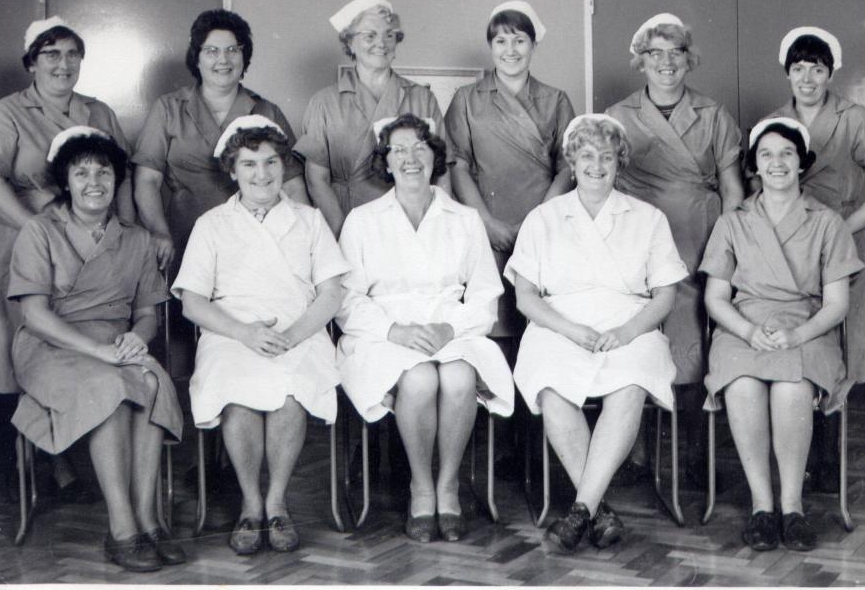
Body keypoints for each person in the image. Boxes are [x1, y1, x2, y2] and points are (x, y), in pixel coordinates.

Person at [505, 114, 687, 554]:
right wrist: (570, 330)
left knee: (630, 384)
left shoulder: (647, 218)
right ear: (571, 161)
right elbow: (526, 298)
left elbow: (665, 296)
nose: (597, 165)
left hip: (630, 325)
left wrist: (626, 332)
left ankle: (580, 511)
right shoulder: (544, 217)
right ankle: (598, 509)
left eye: (607, 156)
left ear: (620, 162)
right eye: (586, 155)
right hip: (558, 325)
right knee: (551, 387)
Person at [8, 127, 184, 572]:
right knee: (110, 386)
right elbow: (34, 315)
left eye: (103, 172)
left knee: (150, 380)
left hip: (115, 341)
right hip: (51, 345)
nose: (94, 182)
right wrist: (98, 351)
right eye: (81, 172)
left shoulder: (137, 238)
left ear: (116, 179)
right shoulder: (39, 230)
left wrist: (137, 338)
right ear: (64, 181)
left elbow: (146, 312)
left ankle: (148, 519)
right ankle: (121, 528)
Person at [0, 16, 133, 500]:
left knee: (81, 339)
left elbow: (117, 179)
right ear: (31, 63)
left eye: (71, 54)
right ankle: (32, 471)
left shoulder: (98, 111)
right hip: (26, 241)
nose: (62, 64)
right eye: (50, 54)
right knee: (25, 349)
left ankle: (67, 465)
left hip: (91, 246)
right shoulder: (7, 112)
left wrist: (128, 234)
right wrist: (41, 231)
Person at [173, 116, 349, 555]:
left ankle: (277, 504)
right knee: (236, 391)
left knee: (290, 390)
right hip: (230, 330)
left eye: (271, 162)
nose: (262, 174)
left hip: (299, 329)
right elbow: (192, 303)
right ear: (232, 169)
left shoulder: (308, 221)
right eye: (249, 164)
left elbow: (331, 293)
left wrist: (292, 335)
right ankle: (250, 505)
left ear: (283, 166)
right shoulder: (211, 224)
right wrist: (244, 333)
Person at [336, 115, 514, 543]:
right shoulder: (362, 220)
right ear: (386, 161)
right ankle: (421, 487)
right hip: (383, 334)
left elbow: (486, 294)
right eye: (398, 150)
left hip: (451, 328)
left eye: (419, 148)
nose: (410, 158)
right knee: (417, 379)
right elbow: (345, 299)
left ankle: (448, 486)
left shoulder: (464, 218)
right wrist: (394, 330)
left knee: (457, 377)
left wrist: (449, 328)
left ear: (435, 155)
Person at [700, 117, 863, 552]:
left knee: (792, 389)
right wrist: (749, 331)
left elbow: (837, 304)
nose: (777, 163)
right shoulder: (733, 222)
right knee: (743, 386)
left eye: (787, 154)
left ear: (802, 163)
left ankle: (792, 509)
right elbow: (716, 299)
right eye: (766, 155)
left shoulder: (827, 222)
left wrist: (797, 335)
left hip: (808, 327)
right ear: (753, 165)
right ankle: (761, 508)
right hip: (742, 327)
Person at [604, 13, 743, 487]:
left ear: (689, 59)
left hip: (698, 238)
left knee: (694, 344)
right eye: (655, 53)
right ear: (640, 61)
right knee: (637, 337)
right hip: (636, 242)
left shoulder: (713, 114)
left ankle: (693, 455)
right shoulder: (619, 117)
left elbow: (733, 190)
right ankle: (634, 454)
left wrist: (726, 250)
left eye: (675, 52)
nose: (666, 62)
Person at [767, 27, 865, 492]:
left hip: (838, 244)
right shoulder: (773, 123)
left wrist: (846, 228)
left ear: (831, 72)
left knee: (837, 342)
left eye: (817, 68)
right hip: (787, 248)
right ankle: (795, 458)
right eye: (799, 68)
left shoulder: (854, 118)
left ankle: (827, 459)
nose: (808, 78)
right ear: (787, 72)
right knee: (794, 344)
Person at [133, 8, 308, 275]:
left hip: (257, 235)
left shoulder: (266, 111)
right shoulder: (168, 108)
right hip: (186, 234)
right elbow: (147, 180)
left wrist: (302, 237)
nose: (223, 60)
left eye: (232, 50)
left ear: (244, 56)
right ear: (197, 58)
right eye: (212, 51)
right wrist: (159, 232)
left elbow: (293, 184)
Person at [446, 0, 576, 341]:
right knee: (494, 324)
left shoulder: (556, 100)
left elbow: (567, 167)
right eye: (501, 41)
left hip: (544, 222)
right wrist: (486, 223)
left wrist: (539, 222)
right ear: (490, 46)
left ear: (534, 44)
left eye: (519, 40)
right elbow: (457, 163)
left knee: (544, 325)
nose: (510, 50)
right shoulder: (466, 99)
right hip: (487, 224)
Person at [298, 0, 449, 237]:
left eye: (389, 35)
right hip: (346, 219)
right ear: (349, 43)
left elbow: (441, 172)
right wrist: (343, 234)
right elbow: (316, 180)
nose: (381, 42)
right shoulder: (324, 103)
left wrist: (436, 229)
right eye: (369, 35)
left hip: (412, 224)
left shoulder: (422, 98)